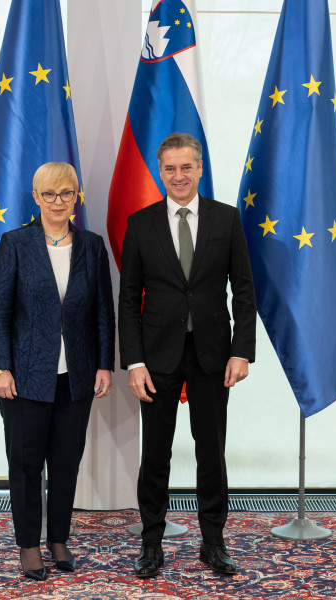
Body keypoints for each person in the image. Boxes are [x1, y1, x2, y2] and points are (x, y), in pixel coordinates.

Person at [118, 132, 257, 577]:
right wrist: (134, 362)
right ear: (160, 172)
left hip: (213, 356)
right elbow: (128, 299)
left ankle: (213, 542)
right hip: (156, 358)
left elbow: (244, 291)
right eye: (170, 168)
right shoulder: (141, 223)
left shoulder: (226, 219)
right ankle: (151, 543)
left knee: (211, 452)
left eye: (186, 167)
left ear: (200, 168)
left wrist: (242, 352)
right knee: (155, 454)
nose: (179, 176)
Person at [0, 162, 115, 581]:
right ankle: (28, 544)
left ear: (76, 197)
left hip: (76, 377)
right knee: (25, 464)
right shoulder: (15, 244)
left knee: (65, 462)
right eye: (49, 194)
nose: (58, 202)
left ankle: (58, 538)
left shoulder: (92, 246)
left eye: (66, 193)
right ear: (36, 198)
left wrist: (104, 364)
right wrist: (0, 367)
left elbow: (103, 312)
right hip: (23, 377)